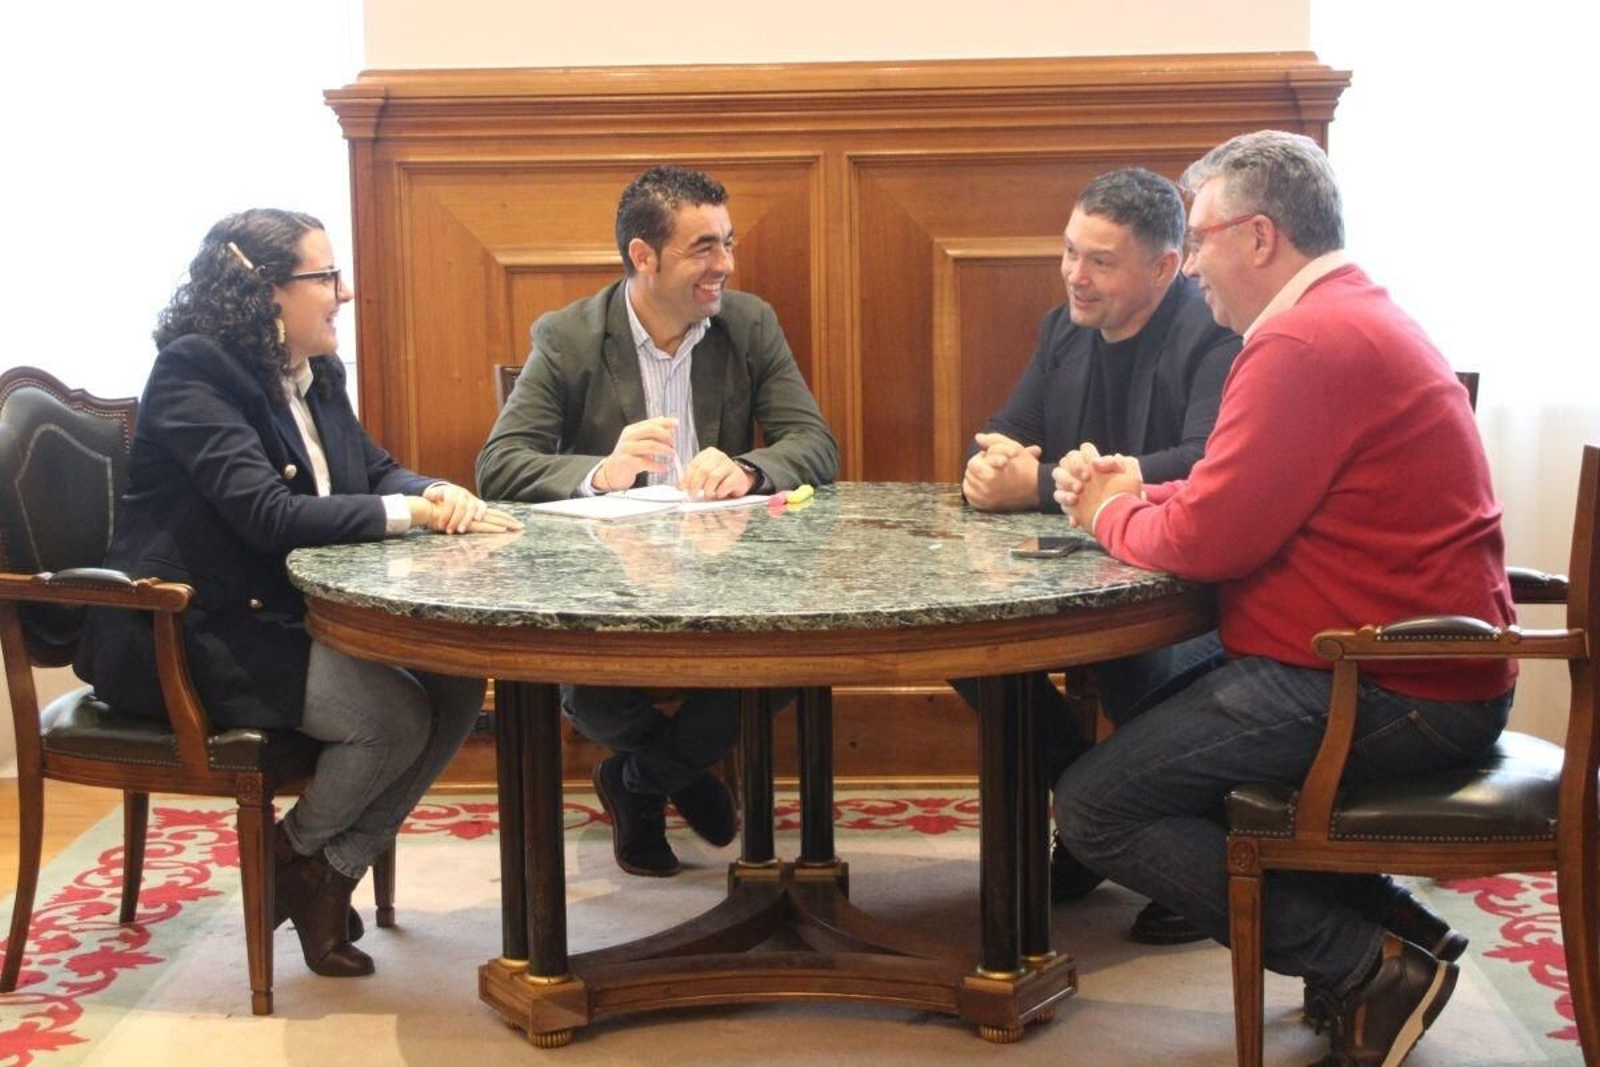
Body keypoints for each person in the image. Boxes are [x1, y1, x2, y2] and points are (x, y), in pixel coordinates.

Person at [1051, 130, 1514, 1066]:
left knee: (1097, 806)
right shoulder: (1348, 313)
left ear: (1259, 236)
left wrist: (1108, 511)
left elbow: (1209, 540)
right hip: (1396, 662)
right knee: (1152, 715)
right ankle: (1397, 927)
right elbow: (1244, 492)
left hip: (1386, 682)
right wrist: (1141, 492)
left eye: (1201, 239)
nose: (1193, 267)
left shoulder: (1300, 340)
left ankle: (1367, 966)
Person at [75, 209, 523, 980]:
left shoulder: (317, 370)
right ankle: (295, 859)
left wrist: (434, 490)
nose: (344, 293)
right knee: (391, 718)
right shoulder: (194, 372)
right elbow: (267, 515)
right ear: (266, 291)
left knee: (455, 682)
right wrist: (408, 513)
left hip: (282, 615)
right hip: (190, 632)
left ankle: (317, 866)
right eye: (326, 277)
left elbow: (372, 470)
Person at [476, 165, 838, 878]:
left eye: (728, 243)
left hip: (728, 571)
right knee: (585, 683)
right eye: (704, 247)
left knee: (802, 653)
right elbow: (498, 465)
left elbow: (815, 444)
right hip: (608, 580)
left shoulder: (748, 324)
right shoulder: (570, 336)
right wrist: (601, 472)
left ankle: (638, 779)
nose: (725, 264)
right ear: (644, 256)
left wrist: (749, 468)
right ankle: (676, 774)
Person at [956, 168, 1239, 940]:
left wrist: (1036, 482)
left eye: (1101, 261)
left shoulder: (1212, 331)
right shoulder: (1063, 330)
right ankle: (1100, 813)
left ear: (1165, 266)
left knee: (1138, 662)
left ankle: (1175, 849)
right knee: (970, 648)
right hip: (1085, 570)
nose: (1075, 275)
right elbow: (1003, 433)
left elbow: (1207, 461)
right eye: (1070, 251)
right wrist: (988, 467)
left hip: (1188, 588)